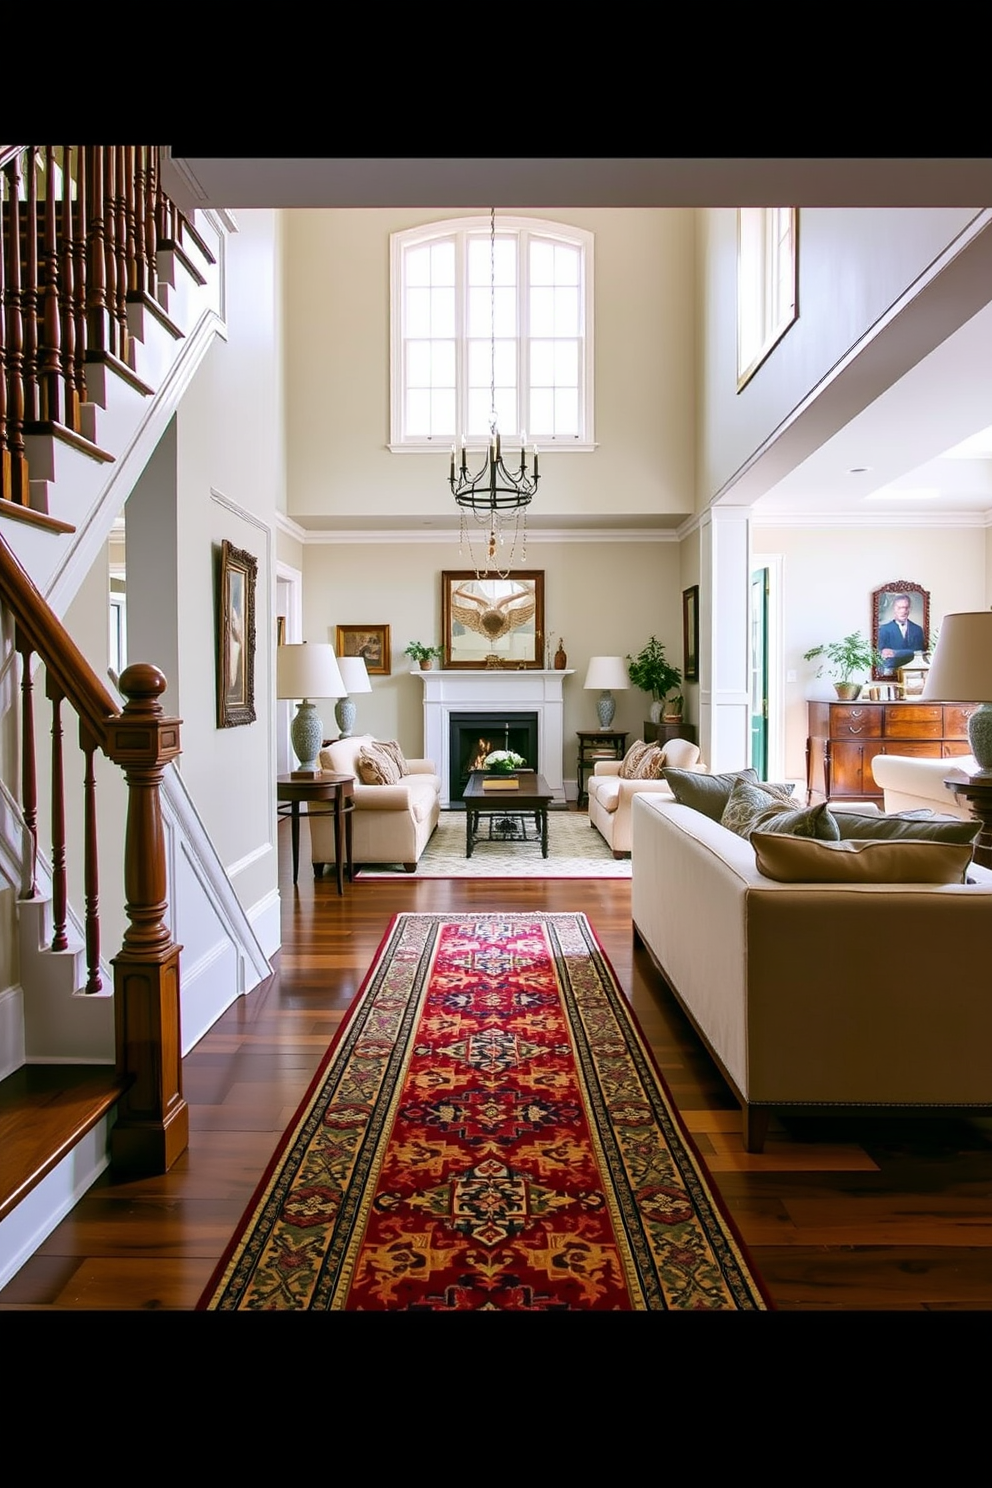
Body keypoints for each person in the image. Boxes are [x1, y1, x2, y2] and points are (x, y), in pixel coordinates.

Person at [877, 594, 926, 674]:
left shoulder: (917, 629)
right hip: (890, 673)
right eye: (899, 608)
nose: (903, 611)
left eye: (906, 607)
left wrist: (895, 653)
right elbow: (880, 655)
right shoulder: (884, 629)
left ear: (909, 609)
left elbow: (920, 653)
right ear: (894, 609)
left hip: (912, 674)